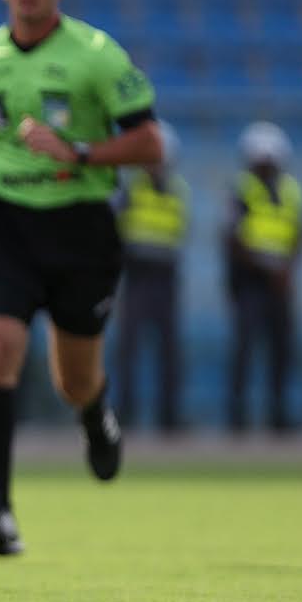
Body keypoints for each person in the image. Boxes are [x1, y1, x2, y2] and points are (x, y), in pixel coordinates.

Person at [0, 0, 163, 556]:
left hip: (80, 229)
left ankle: (95, 415)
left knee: (74, 379)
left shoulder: (97, 54)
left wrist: (80, 152)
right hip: (8, 223)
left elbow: (150, 143)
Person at [224, 121, 302, 433]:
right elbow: (232, 239)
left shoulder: (291, 190)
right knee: (244, 350)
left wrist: (288, 269)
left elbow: (300, 233)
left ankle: (278, 415)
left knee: (281, 352)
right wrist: (271, 268)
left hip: (280, 285)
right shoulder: (241, 189)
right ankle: (238, 418)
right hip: (250, 284)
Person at [113, 122, 190, 433]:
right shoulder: (131, 188)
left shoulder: (178, 189)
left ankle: (168, 416)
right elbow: (116, 229)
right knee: (128, 348)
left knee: (169, 351)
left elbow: (179, 233)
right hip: (137, 276)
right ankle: (126, 414)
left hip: (166, 277)